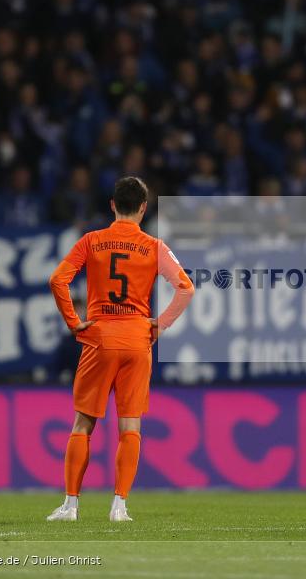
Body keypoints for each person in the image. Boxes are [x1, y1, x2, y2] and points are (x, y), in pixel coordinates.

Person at [46, 176, 194, 521]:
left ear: (112, 205)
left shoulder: (92, 240)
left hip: (99, 337)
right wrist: (160, 323)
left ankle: (70, 505)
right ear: (144, 208)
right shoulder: (155, 246)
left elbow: (58, 280)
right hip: (136, 340)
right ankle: (119, 505)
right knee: (130, 426)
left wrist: (73, 321)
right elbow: (185, 288)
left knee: (83, 423)